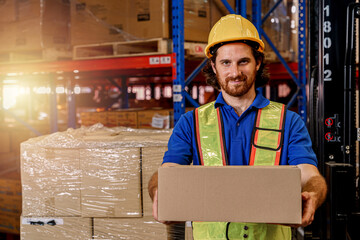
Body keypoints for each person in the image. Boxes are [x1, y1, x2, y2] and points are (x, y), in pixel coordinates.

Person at [148, 14, 327, 240]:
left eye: (243, 61)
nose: (235, 72)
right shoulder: (191, 122)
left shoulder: (288, 121)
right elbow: (169, 171)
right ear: (213, 66)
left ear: (258, 62)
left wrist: (312, 193)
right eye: (225, 63)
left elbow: (308, 174)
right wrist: (159, 189)